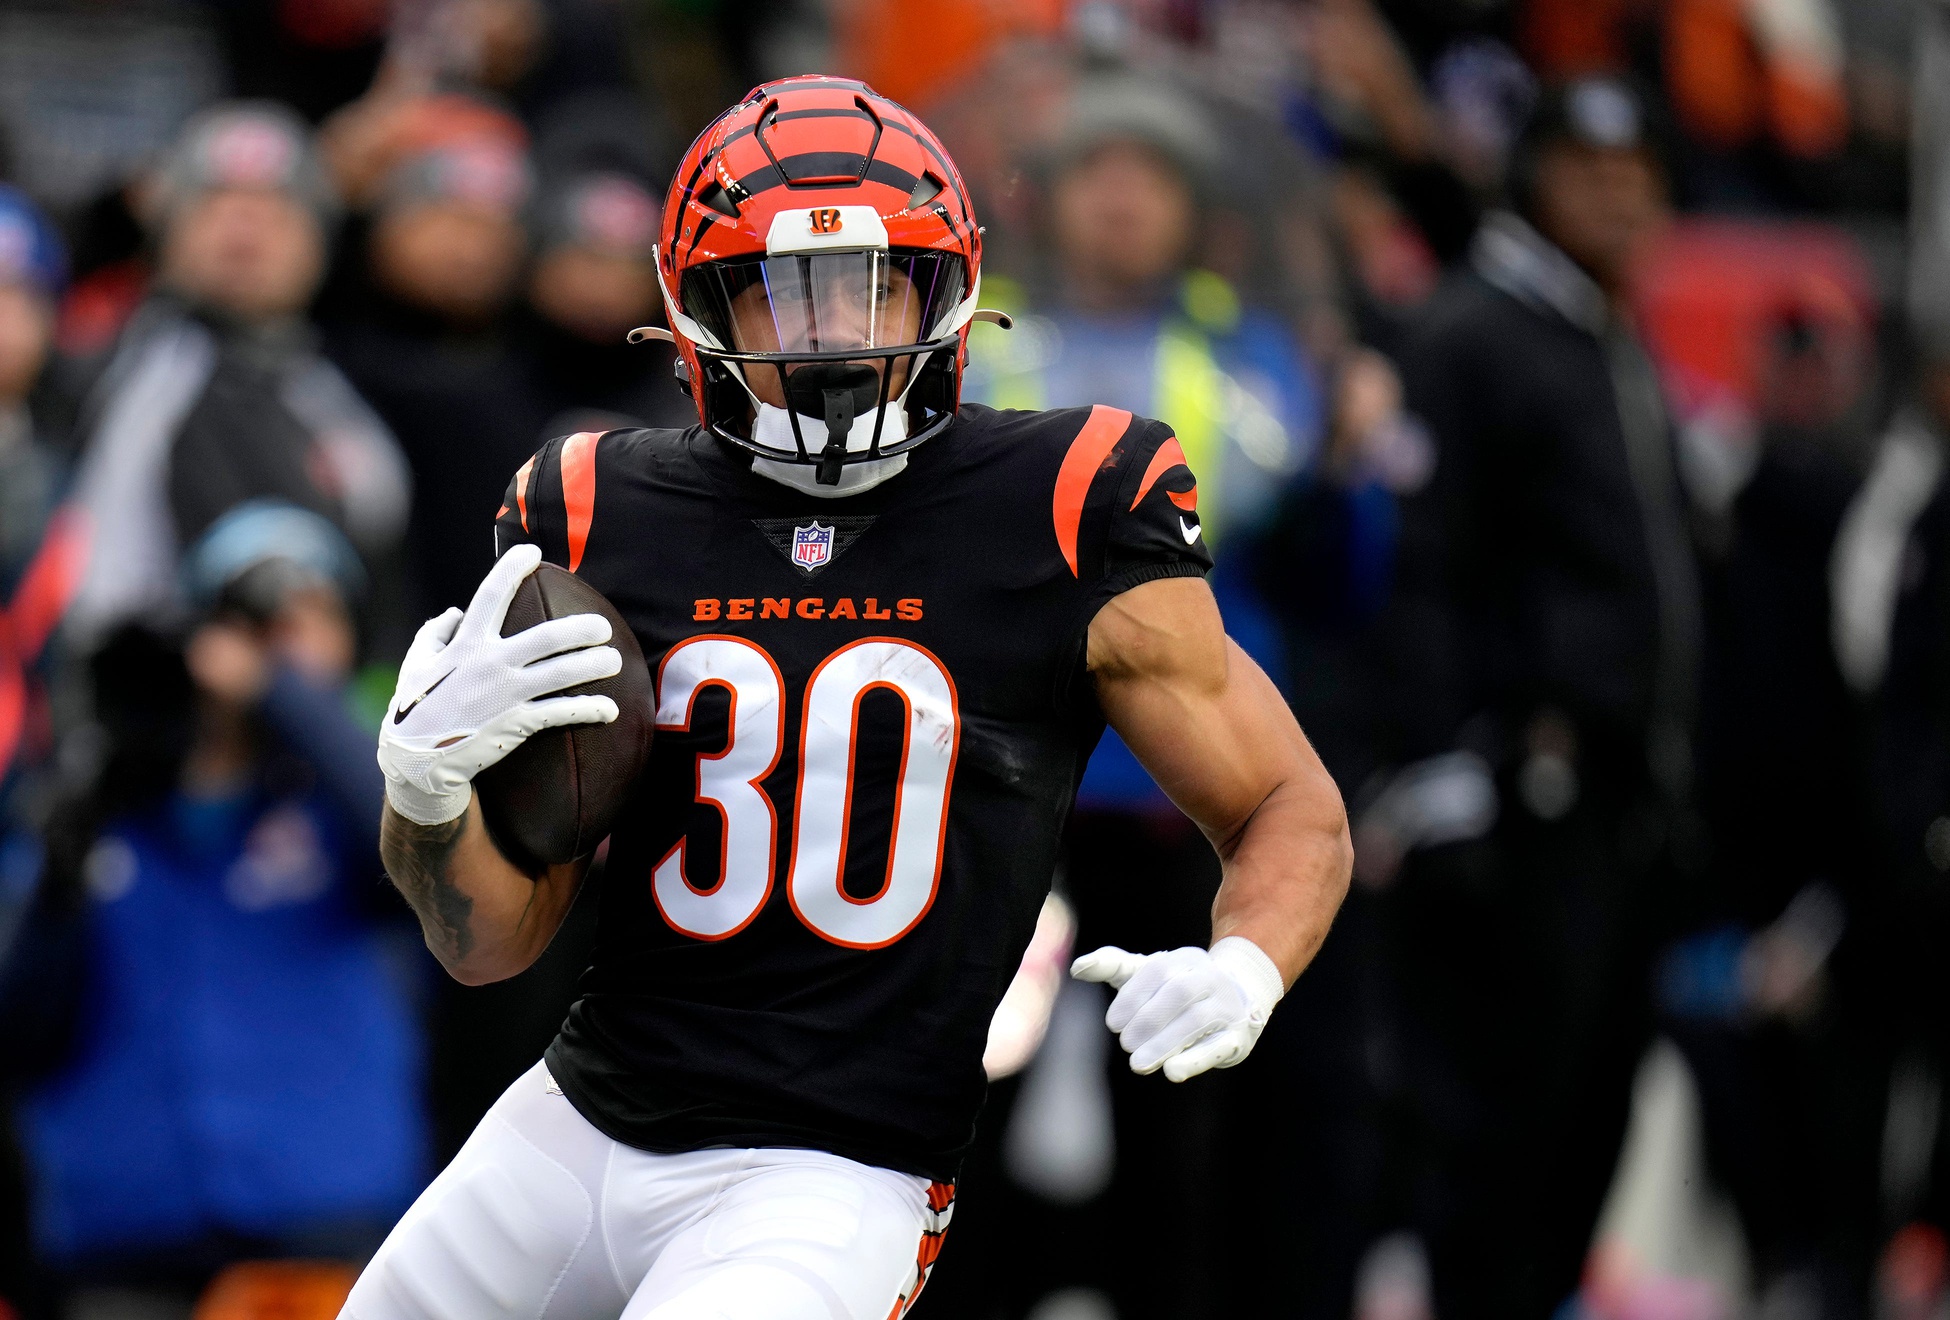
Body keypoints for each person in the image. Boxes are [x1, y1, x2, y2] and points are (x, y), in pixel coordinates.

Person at [340, 75, 1352, 1320]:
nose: (831, 332)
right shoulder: (596, 505)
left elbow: (1287, 804)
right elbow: (487, 943)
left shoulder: (1066, 497)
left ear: (947, 288)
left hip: (834, 1165)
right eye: (785, 286)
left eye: (872, 283)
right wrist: (429, 798)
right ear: (700, 305)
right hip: (581, 1113)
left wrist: (1247, 962)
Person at [1366, 75, 1701, 1319]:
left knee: (1585, 1126)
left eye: (1642, 177)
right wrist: (1443, 770)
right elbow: (1421, 563)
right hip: (1522, 804)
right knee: (1501, 1143)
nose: (1622, 196)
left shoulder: (1606, 336)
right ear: (1531, 183)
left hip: (1619, 807)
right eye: (1591, 172)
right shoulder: (1473, 333)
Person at [7, 503, 427, 1312]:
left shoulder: (351, 796)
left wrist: (282, 694)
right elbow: (23, 1033)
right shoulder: (108, 810)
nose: (282, 648)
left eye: (314, 619)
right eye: (254, 623)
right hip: (127, 1253)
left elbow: (408, 853)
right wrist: (62, 876)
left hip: (323, 1238)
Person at [62, 102, 412, 650]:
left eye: (275, 210)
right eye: (216, 204)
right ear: (167, 234)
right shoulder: (122, 370)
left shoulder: (331, 381)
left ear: (318, 245)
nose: (244, 227)